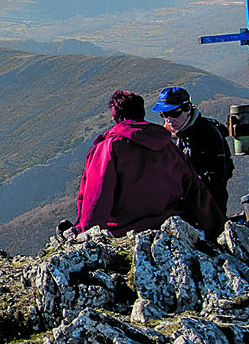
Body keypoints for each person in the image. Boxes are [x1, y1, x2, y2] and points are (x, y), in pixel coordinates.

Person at [75, 90, 224, 238]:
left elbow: (96, 196)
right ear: (142, 114)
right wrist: (217, 229)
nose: (169, 119)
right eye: (165, 115)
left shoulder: (108, 148)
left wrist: (86, 233)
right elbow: (195, 190)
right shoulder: (169, 147)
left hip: (124, 230)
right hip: (168, 226)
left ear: (115, 118)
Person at [150, 87, 234, 216]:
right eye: (164, 114)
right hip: (178, 205)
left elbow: (217, 176)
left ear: (188, 108)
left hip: (208, 206)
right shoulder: (166, 137)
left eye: (174, 113)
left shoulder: (208, 133)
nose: (169, 119)